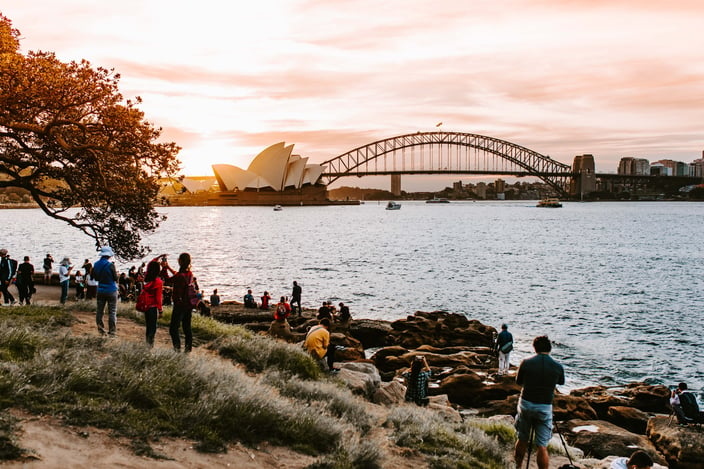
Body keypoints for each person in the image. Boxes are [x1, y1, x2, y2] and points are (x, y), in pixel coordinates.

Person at [514, 335, 565, 469]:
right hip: (544, 407)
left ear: (535, 348)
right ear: (550, 348)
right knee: (542, 446)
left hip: (526, 404)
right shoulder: (557, 366)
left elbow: (518, 382)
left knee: (522, 438)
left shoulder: (526, 362)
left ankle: (518, 467)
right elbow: (561, 381)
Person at [170, 252, 195, 353]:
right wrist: (168, 267)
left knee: (173, 329)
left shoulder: (180, 276)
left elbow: (169, 279)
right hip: (188, 304)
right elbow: (176, 275)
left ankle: (177, 350)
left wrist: (164, 268)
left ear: (180, 261)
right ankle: (188, 350)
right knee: (187, 328)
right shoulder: (189, 274)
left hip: (179, 305)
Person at [93, 246, 119, 337]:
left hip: (100, 290)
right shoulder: (110, 265)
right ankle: (112, 332)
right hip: (111, 290)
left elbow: (96, 278)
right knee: (112, 311)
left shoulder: (95, 264)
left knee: (99, 311)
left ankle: (101, 330)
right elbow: (115, 278)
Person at [141, 260, 163, 347]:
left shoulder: (147, 279)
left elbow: (150, 264)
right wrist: (160, 310)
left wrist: (158, 258)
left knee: (148, 326)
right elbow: (158, 298)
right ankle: (150, 345)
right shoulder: (158, 282)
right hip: (153, 307)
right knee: (153, 328)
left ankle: (148, 343)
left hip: (146, 305)